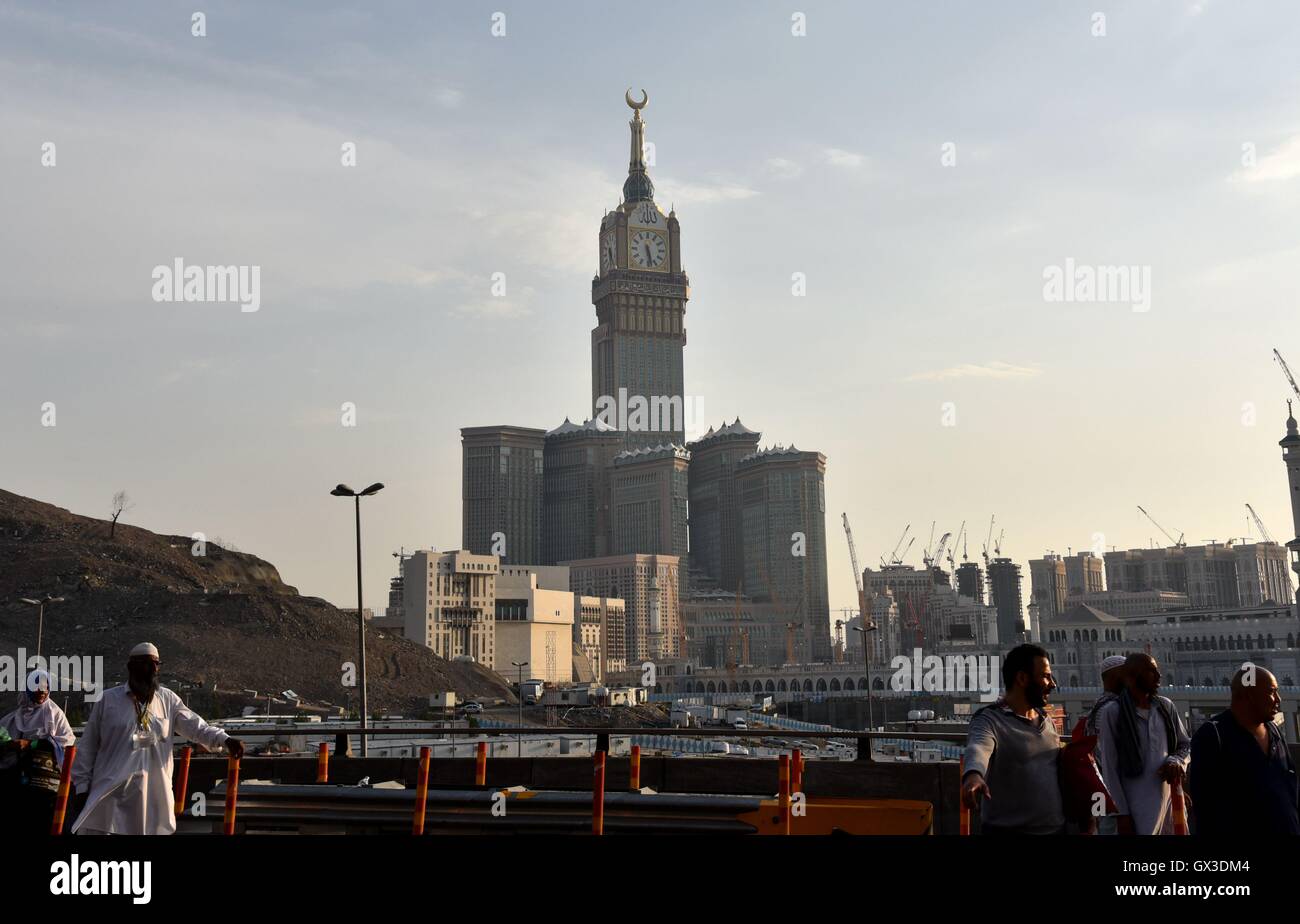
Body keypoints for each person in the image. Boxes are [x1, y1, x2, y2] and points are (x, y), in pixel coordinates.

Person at [70, 643, 243, 835]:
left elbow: (196, 726)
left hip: (152, 797)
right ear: (132, 667)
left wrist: (224, 739)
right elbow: (88, 747)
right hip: (111, 793)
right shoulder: (108, 700)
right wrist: (82, 787)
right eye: (147, 664)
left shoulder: (168, 700)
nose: (153, 669)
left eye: (156, 664)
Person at [961, 644, 1065, 834]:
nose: (1052, 684)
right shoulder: (990, 719)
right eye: (1045, 676)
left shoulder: (1047, 721)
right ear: (1022, 678)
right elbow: (978, 748)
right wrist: (973, 775)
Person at [1190, 665, 1299, 835]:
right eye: (1271, 692)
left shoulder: (1274, 731)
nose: (1278, 699)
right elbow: (1206, 806)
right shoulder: (1213, 736)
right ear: (1249, 696)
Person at [1095, 653, 1190, 835]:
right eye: (1149, 671)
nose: (1158, 676)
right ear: (1130, 677)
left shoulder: (1165, 707)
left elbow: (1185, 745)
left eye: (1156, 670)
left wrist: (1177, 761)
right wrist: (1122, 814)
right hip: (1135, 810)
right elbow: (1110, 769)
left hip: (1168, 805)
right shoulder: (1113, 712)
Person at [1, 669, 77, 832]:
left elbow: (67, 744)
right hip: (17, 789)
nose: (42, 691)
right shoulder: (12, 719)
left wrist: (31, 744)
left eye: (46, 686)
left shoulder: (55, 715)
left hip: (45, 790)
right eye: (37, 686)